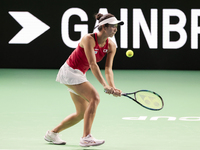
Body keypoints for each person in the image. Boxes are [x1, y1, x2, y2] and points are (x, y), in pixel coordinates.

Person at [44, 12, 124, 147]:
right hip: (70, 71)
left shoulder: (111, 46)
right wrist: (105, 85)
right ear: (104, 27)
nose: (115, 29)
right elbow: (93, 64)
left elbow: (108, 69)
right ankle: (86, 137)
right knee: (95, 98)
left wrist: (113, 86)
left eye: (116, 26)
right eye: (113, 26)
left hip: (79, 74)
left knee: (81, 113)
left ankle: (52, 133)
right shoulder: (89, 39)